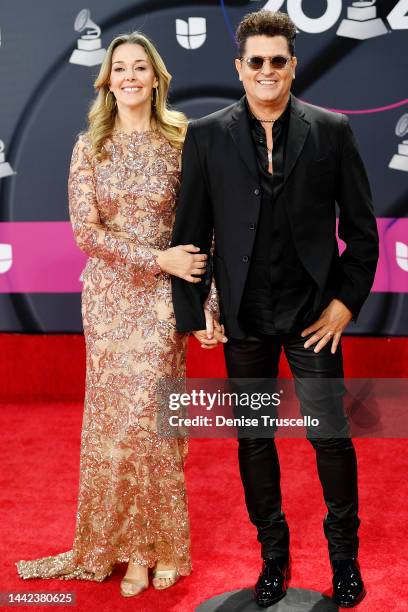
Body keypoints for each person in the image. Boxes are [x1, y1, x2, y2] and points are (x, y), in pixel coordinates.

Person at [171, 10, 379, 609]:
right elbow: (192, 232)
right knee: (254, 440)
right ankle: (273, 557)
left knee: (330, 438)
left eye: (277, 60)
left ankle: (345, 559)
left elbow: (362, 235)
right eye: (256, 61)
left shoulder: (333, 130)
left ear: (294, 66)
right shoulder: (207, 135)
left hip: (314, 319)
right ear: (239, 68)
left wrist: (343, 304)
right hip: (244, 321)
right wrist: (198, 311)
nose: (267, 70)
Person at [16, 32, 209, 598]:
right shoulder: (90, 145)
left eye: (139, 68)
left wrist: (206, 302)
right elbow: (86, 233)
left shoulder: (181, 139)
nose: (129, 76)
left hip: (161, 302)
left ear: (156, 78)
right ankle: (129, 553)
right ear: (107, 80)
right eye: (119, 67)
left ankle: (165, 547)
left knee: (157, 425)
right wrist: (156, 258)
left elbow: (201, 227)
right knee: (116, 429)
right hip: (108, 301)